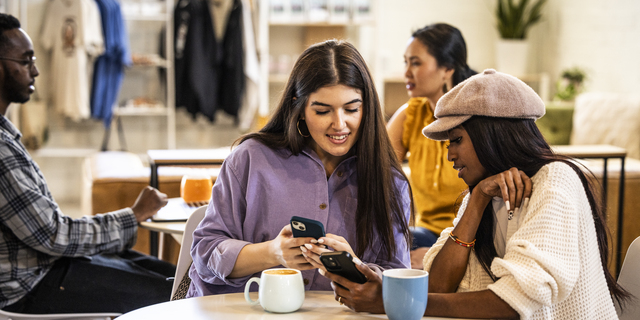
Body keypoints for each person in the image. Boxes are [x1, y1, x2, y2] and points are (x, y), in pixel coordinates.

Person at [322, 69, 630, 319]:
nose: (450, 154)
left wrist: (397, 302)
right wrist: (478, 200)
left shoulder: (555, 181)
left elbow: (513, 304)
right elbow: (440, 286)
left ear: (491, 134)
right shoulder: (483, 191)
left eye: (456, 140)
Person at [186, 40, 412, 297]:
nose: (340, 124)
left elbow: (398, 279)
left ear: (366, 107)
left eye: (351, 109)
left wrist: (355, 267)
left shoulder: (389, 181)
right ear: (300, 107)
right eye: (323, 110)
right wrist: (271, 252)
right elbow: (204, 253)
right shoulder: (250, 159)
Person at [0, 14, 175, 314]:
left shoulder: (5, 134)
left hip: (45, 267)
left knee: (175, 276)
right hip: (30, 287)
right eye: (26, 61)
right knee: (176, 295)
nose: (36, 70)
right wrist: (133, 216)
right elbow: (54, 235)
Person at [386, 23, 476, 269]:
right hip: (425, 233)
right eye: (406, 62)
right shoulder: (411, 114)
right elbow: (376, 166)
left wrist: (438, 252)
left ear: (447, 68)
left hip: (474, 235)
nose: (406, 72)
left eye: (415, 63)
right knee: (388, 240)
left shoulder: (478, 116)